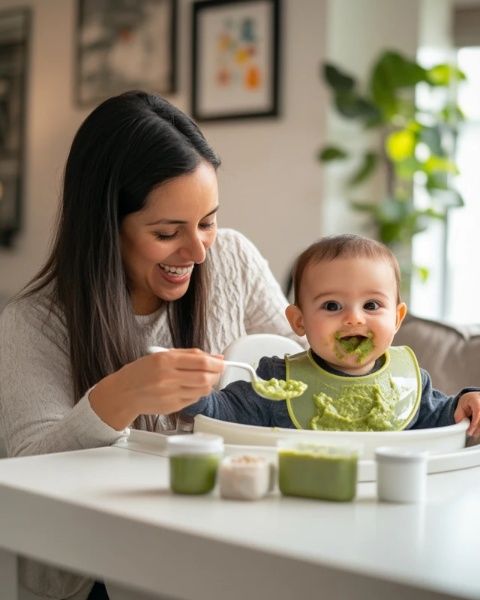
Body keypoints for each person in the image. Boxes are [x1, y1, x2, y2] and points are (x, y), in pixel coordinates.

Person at [0, 91, 302, 600]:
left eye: (207, 221)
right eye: (167, 232)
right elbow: (30, 481)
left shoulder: (232, 259)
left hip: (230, 540)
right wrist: (120, 396)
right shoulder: (31, 324)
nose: (198, 250)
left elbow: (311, 369)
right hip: (97, 568)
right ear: (105, 227)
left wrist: (447, 403)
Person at [186, 234, 480, 435]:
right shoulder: (280, 382)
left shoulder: (408, 382)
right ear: (299, 321)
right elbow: (224, 414)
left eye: (372, 305)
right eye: (332, 306)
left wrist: (466, 403)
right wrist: (191, 393)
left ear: (397, 318)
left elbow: (444, 420)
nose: (354, 318)